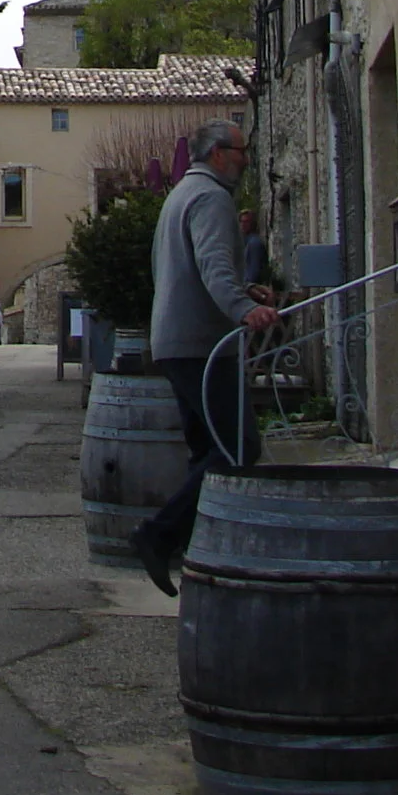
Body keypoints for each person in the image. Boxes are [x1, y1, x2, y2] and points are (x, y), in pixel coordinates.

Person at [127, 119, 280, 598]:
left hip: (175, 341)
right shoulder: (212, 198)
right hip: (202, 346)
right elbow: (214, 267)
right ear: (218, 153)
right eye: (241, 149)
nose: (246, 158)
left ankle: (201, 554)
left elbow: (187, 268)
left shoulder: (181, 195)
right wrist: (245, 309)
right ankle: (159, 534)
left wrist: (242, 290)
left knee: (206, 452)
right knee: (238, 447)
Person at [240, 208, 270, 290]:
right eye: (242, 221)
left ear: (253, 223)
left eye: (246, 222)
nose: (243, 224)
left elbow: (253, 273)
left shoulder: (254, 243)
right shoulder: (246, 242)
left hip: (254, 291)